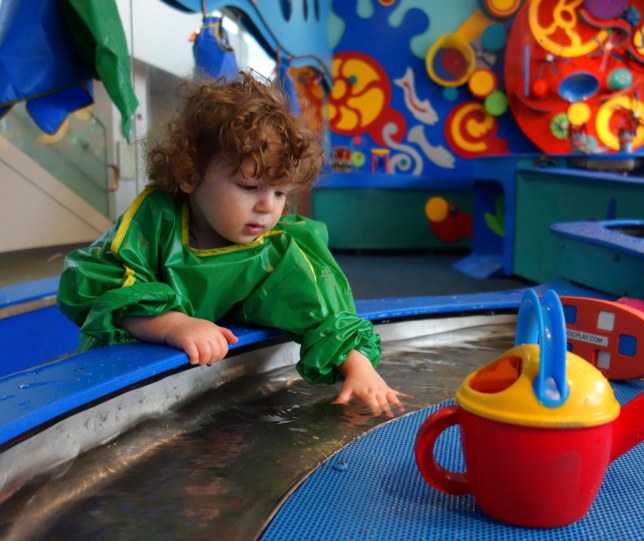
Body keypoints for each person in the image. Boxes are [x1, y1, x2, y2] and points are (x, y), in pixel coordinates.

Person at [57, 71, 408, 416]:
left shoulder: (277, 246)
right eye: (249, 186)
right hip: (115, 389)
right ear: (190, 174)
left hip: (196, 394)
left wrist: (359, 366)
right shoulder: (156, 220)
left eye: (280, 192)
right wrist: (173, 323)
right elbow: (103, 287)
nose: (267, 206)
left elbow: (322, 306)